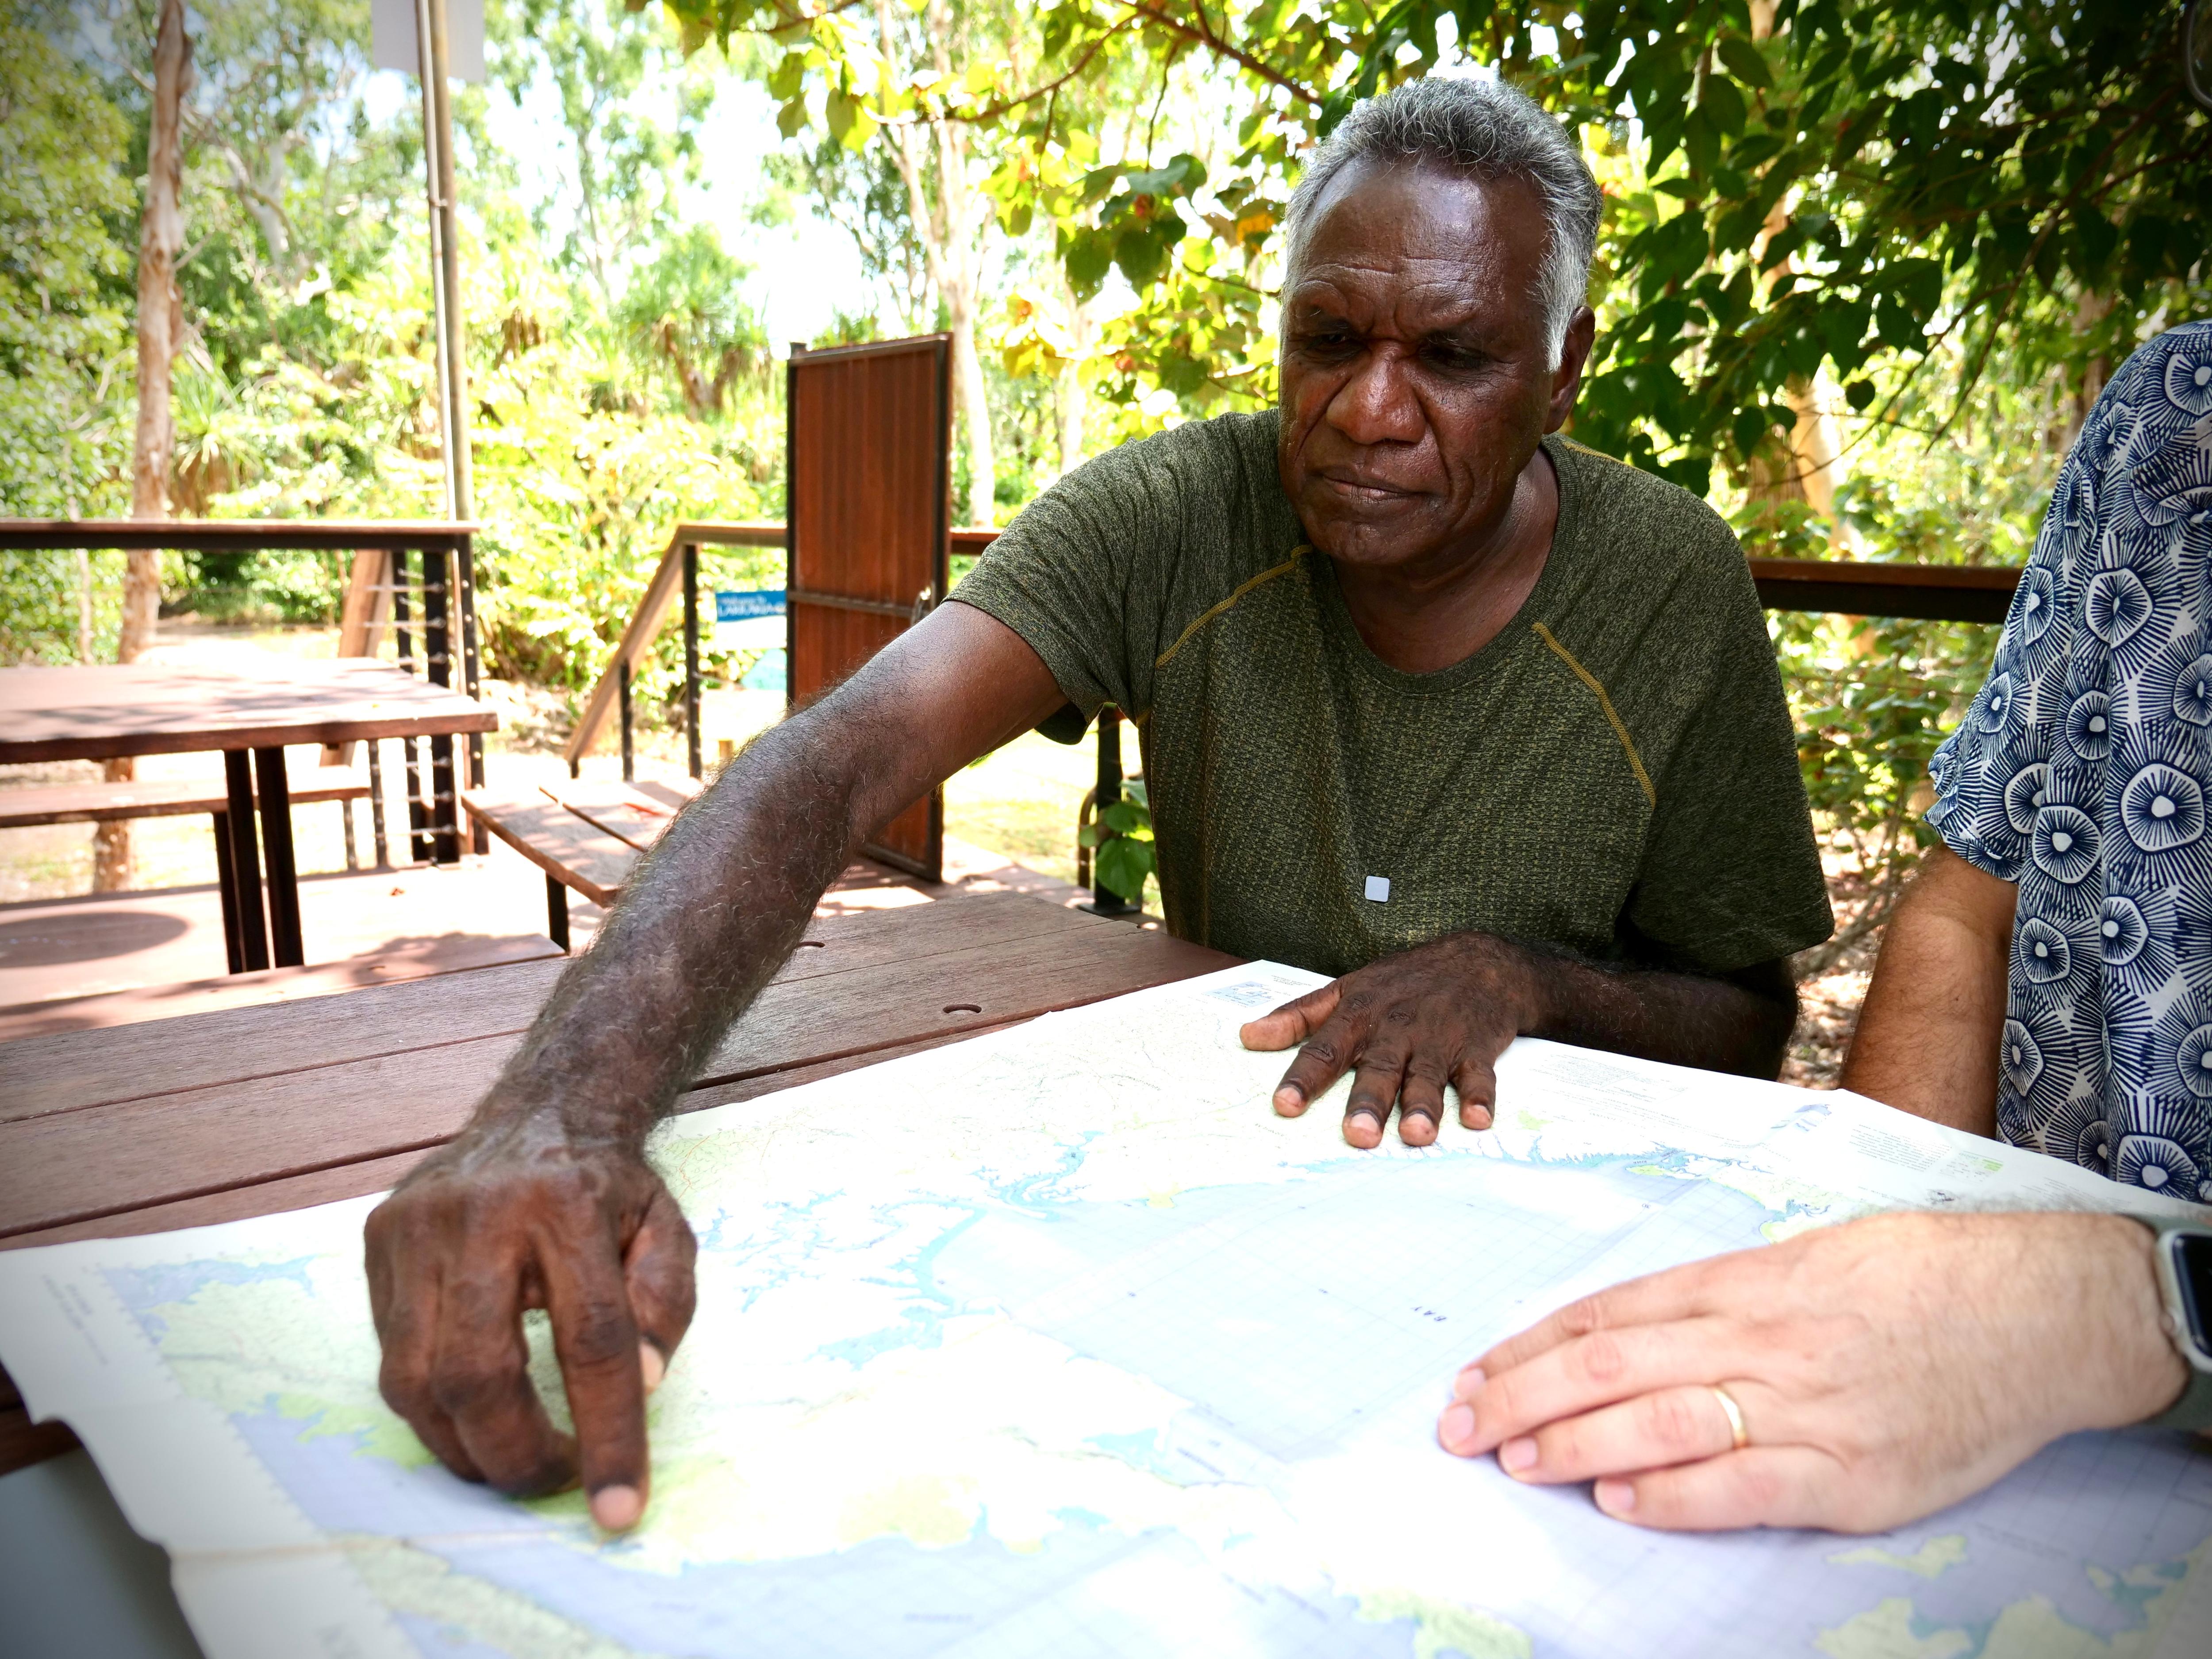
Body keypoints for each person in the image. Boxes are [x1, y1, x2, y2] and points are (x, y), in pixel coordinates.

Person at [364, 76, 1835, 1532]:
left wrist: (1524, 980)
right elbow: (835, 763)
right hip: (1218, 1253)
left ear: (1564, 370)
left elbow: (1746, 1016)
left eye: (1454, 357)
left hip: (1539, 1277)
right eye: (1328, 340)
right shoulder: (1176, 516)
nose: (1369, 412)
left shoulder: (1667, 586)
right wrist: (563, 1116)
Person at [1434, 324, 2212, 1531]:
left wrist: (2130, 1306)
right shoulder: (2168, 411)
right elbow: (1968, 906)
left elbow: (1748, 996)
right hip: (2011, 1373)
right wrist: (1875, 1258)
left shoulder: (1660, 568)